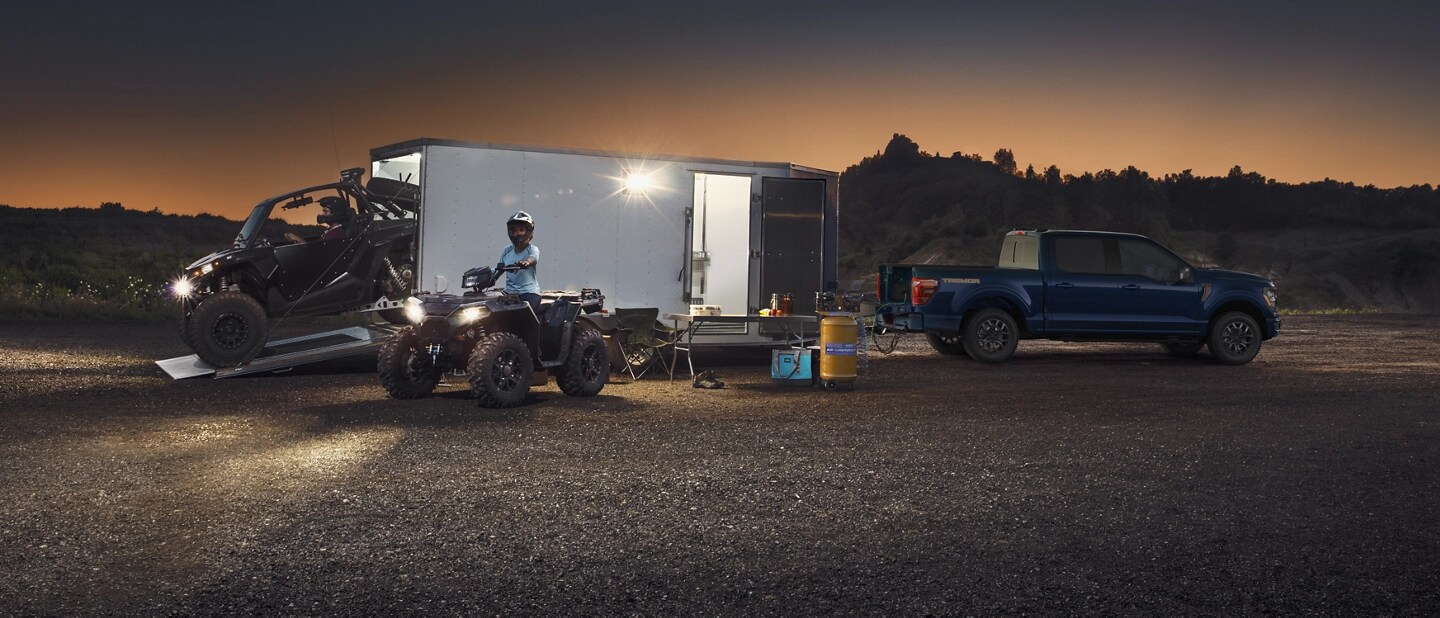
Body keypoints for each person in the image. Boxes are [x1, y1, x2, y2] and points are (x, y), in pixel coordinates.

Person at [500, 210, 541, 315]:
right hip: (509, 293)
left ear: (528, 231)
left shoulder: (532, 249)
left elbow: (534, 258)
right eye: (515, 230)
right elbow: (499, 268)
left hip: (528, 293)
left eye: (521, 230)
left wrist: (526, 262)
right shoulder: (506, 250)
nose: (518, 233)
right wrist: (485, 275)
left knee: (524, 316)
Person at [284, 196, 351, 243]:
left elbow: (316, 253)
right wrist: (299, 240)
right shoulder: (331, 230)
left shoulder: (335, 234)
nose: (322, 214)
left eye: (325, 211)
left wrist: (298, 239)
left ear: (335, 213)